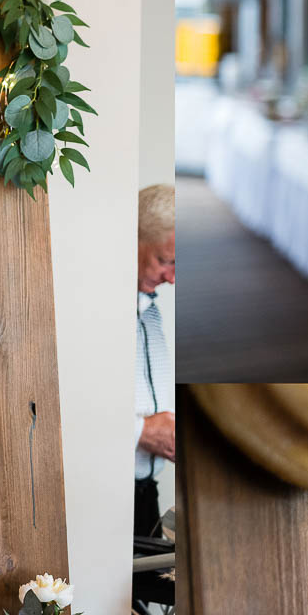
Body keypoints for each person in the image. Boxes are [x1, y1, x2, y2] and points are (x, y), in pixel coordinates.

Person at [135, 184, 176, 537]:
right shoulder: (91, 309)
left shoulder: (151, 311)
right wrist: (142, 432)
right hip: (103, 496)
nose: (172, 278)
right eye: (165, 261)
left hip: (146, 495)